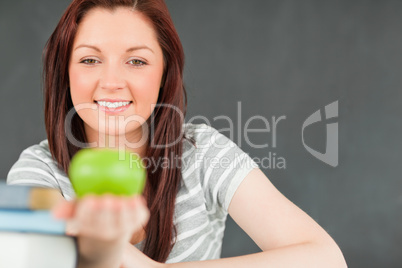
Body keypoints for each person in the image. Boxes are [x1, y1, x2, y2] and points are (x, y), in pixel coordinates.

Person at [7, 0, 347, 267]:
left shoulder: (202, 153)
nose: (111, 82)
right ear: (64, 73)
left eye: (136, 61)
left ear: (164, 73)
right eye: (90, 60)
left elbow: (326, 259)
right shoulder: (38, 173)